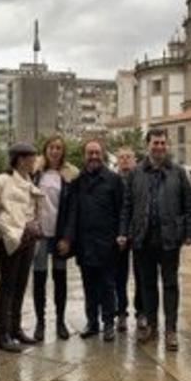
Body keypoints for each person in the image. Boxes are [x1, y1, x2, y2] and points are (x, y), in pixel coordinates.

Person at [118, 129, 191, 351]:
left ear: (167, 145)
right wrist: (124, 232)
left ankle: (171, 329)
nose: (159, 146)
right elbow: (127, 206)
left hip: (170, 238)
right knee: (147, 284)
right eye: (155, 143)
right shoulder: (136, 173)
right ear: (147, 145)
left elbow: (189, 205)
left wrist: (189, 233)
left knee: (170, 284)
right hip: (143, 237)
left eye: (162, 142)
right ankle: (151, 325)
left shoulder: (178, 173)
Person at [0, 143, 43, 353]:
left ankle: (15, 328)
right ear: (20, 159)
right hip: (9, 237)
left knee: (20, 284)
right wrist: (0, 230)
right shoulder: (0, 182)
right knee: (7, 284)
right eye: (32, 157)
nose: (35, 161)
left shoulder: (29, 180)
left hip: (27, 237)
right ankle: (2, 334)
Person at [64, 140, 124, 341]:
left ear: (103, 154)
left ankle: (108, 324)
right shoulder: (77, 181)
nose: (94, 156)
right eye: (90, 153)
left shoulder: (114, 180)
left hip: (107, 243)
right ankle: (92, 322)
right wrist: (69, 238)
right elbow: (73, 212)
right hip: (84, 243)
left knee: (107, 285)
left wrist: (121, 234)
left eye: (97, 152)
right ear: (84, 156)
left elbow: (122, 210)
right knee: (88, 286)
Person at [30, 135, 79, 342]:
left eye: (59, 148)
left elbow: (72, 210)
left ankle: (60, 321)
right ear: (45, 149)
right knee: (39, 278)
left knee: (60, 279)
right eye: (51, 147)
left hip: (59, 235)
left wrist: (67, 237)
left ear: (63, 151)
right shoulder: (35, 173)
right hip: (40, 234)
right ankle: (40, 322)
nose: (55, 151)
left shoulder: (69, 176)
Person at [114, 146, 142, 332]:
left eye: (128, 157)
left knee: (141, 275)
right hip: (119, 235)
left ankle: (142, 312)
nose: (125, 160)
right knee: (119, 276)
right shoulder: (113, 180)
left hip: (139, 233)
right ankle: (121, 313)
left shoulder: (142, 178)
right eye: (121, 157)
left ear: (135, 159)